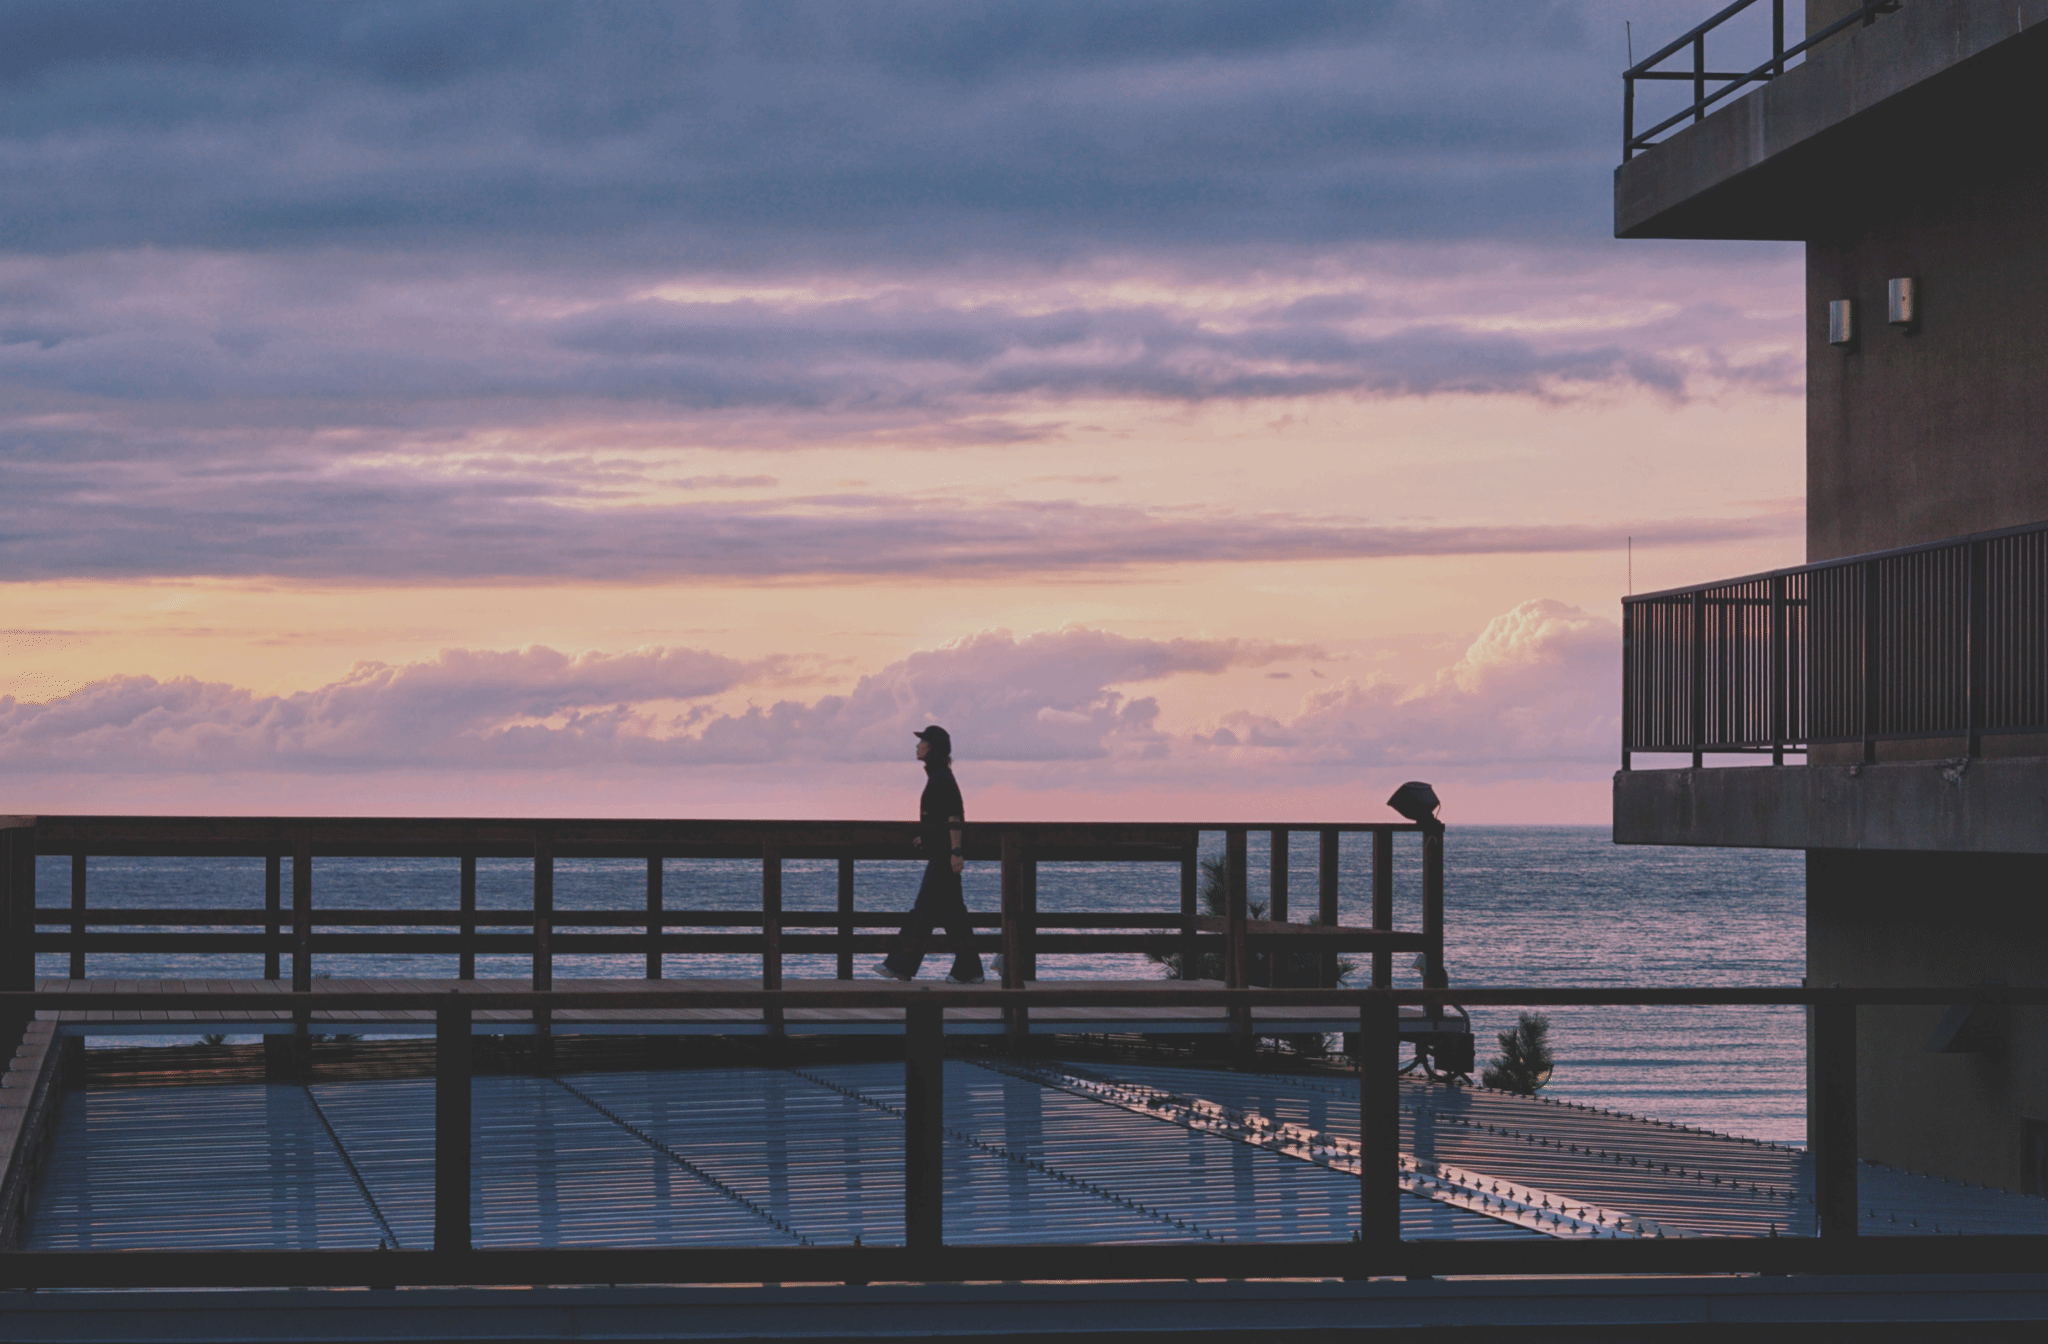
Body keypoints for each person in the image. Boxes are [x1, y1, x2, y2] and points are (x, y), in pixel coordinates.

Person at [872, 725, 986, 984]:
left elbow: (954, 817)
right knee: (953, 914)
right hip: (940, 850)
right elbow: (940, 820)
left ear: (932, 747)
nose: (917, 746)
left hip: (944, 856)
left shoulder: (942, 777)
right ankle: (969, 969)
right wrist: (927, 836)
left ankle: (901, 965)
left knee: (923, 911)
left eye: (921, 742)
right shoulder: (938, 776)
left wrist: (956, 852)